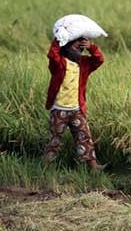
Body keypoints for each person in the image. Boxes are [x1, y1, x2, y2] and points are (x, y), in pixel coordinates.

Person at [44, 35, 104, 170]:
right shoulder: (59, 63)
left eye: (81, 46)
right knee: (54, 140)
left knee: (84, 138)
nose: (79, 47)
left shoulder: (84, 64)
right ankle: (46, 168)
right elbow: (52, 55)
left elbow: (99, 60)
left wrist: (91, 47)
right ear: (66, 46)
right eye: (76, 44)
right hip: (59, 109)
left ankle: (93, 167)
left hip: (77, 109)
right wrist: (58, 40)